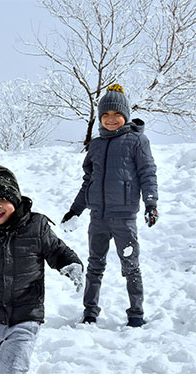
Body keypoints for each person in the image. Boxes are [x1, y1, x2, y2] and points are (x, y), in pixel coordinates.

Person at [0, 166, 85, 374]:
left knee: (13, 370)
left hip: (25, 318)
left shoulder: (36, 226)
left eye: (3, 200)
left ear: (15, 200)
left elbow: (57, 250)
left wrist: (70, 263)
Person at [61, 84, 159, 328]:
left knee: (130, 265)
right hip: (99, 218)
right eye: (106, 115)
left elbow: (148, 173)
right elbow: (88, 182)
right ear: (100, 118)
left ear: (124, 115)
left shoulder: (137, 140)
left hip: (124, 217)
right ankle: (90, 312)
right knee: (95, 265)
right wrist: (75, 210)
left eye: (116, 114)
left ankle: (136, 313)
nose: (111, 119)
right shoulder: (95, 145)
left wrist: (151, 203)